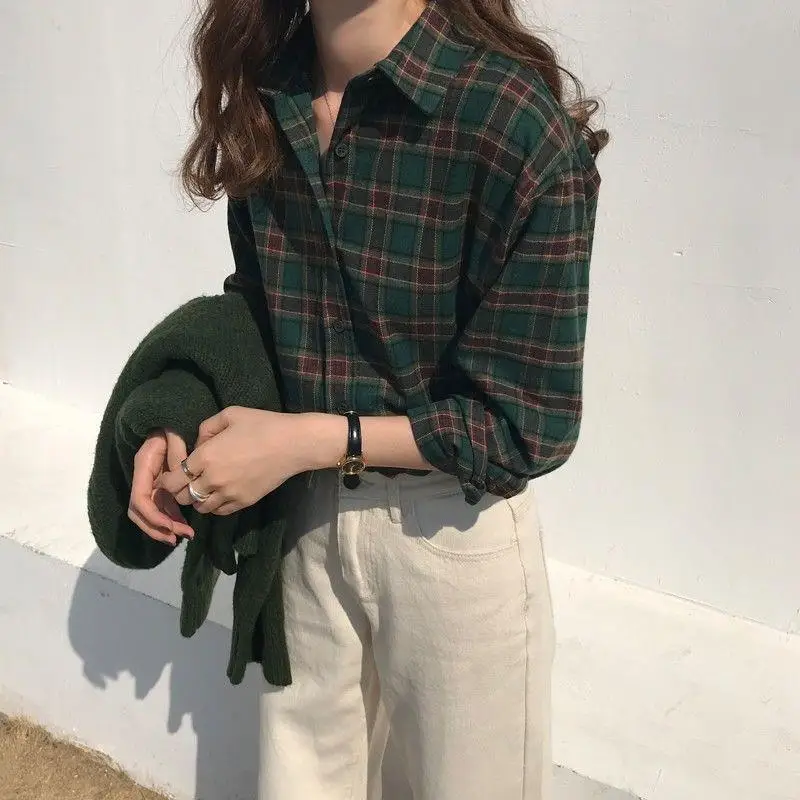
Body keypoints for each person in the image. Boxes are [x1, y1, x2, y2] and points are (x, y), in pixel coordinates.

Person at [128, 1, 604, 798]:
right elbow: (263, 306)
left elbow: (526, 426)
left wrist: (307, 441)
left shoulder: (510, 123)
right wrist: (179, 415)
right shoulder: (270, 89)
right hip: (303, 527)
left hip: (453, 535)